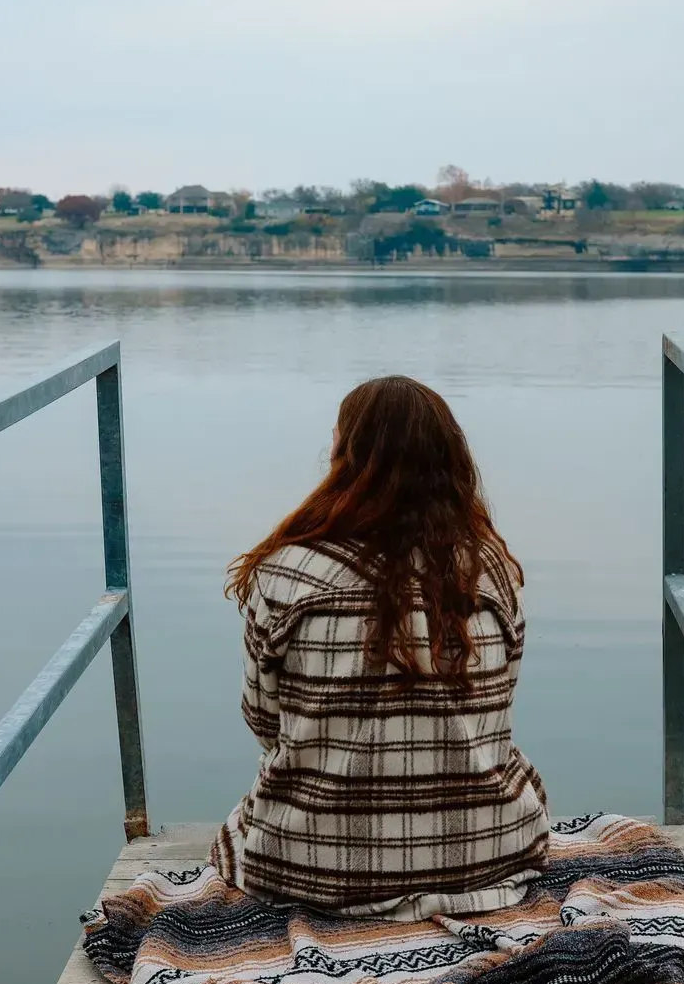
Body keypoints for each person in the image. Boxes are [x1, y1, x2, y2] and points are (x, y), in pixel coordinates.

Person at [212, 375, 549, 920]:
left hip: (312, 872)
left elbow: (264, 722)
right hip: (488, 860)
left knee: (255, 811)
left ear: (344, 456)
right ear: (451, 461)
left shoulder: (285, 574)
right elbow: (497, 711)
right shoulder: (492, 572)